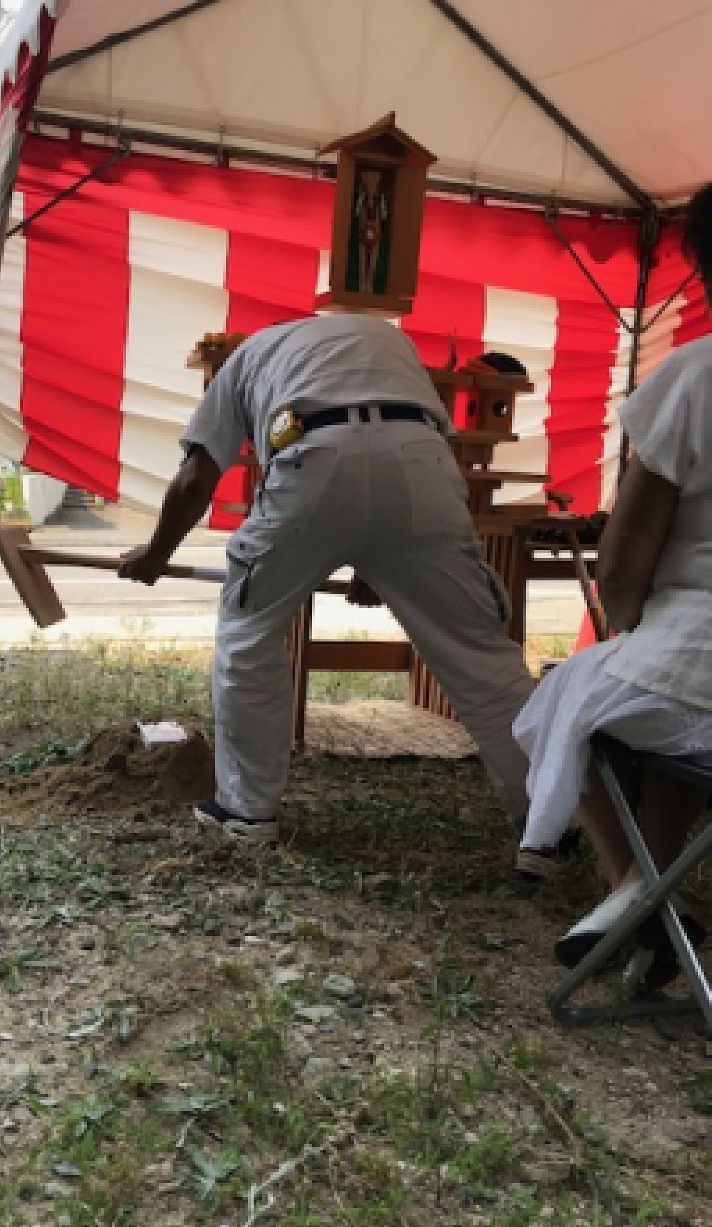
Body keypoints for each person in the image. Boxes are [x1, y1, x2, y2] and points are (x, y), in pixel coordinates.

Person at [118, 312, 536, 843]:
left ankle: (247, 813)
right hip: (424, 467)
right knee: (481, 655)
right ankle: (549, 819)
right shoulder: (383, 337)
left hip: (311, 463)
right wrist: (379, 559)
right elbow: (382, 444)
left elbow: (197, 479)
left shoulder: (240, 362)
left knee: (249, 637)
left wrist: (155, 555)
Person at [513, 181, 712, 983]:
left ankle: (639, 899)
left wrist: (626, 618)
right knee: (658, 705)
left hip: (695, 655)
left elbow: (625, 559)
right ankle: (651, 904)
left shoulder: (696, 376)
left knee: (571, 698)